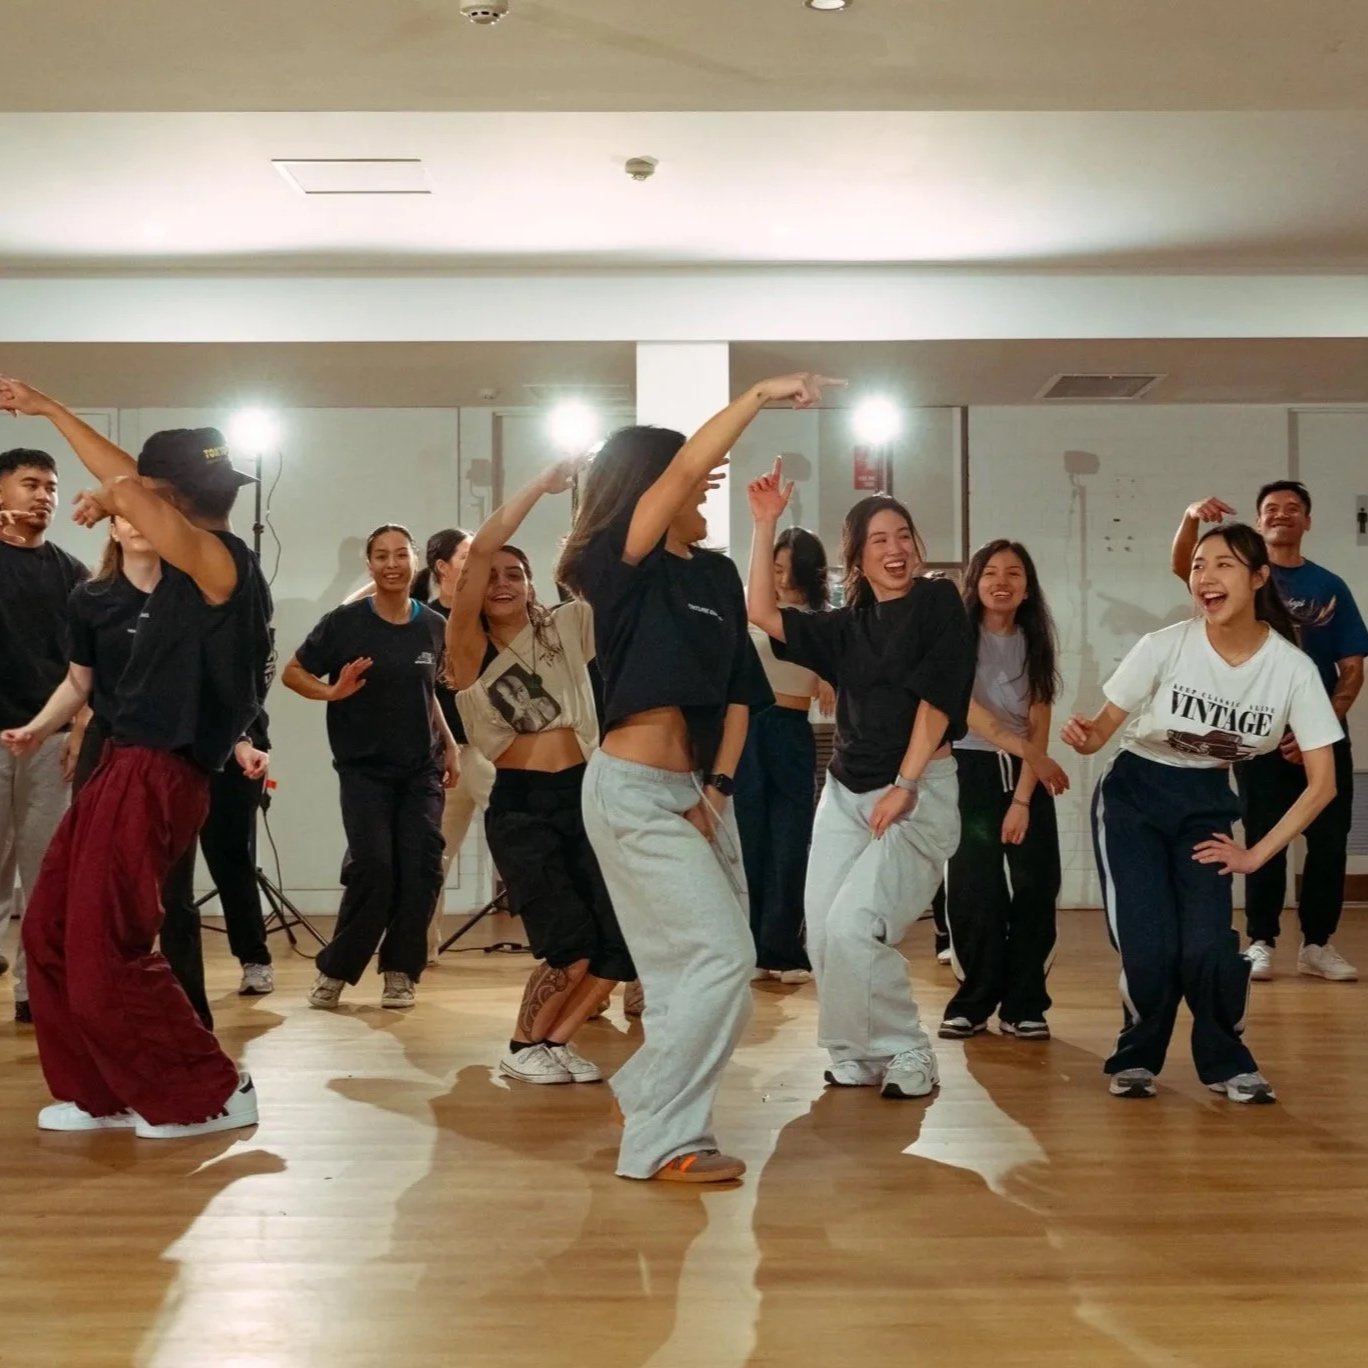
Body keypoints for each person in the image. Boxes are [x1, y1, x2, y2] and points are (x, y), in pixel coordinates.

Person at [558, 376, 819, 1184]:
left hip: (695, 798)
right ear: (650, 488)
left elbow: (743, 689)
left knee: (685, 980)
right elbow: (678, 473)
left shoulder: (709, 576)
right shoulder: (618, 566)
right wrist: (760, 395)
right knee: (720, 958)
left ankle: (674, 1136)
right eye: (690, 477)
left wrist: (720, 790)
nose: (704, 484)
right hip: (629, 792)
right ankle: (648, 1102)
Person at [0, 376, 271, 1139]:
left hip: (161, 770)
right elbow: (129, 481)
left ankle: (211, 1091)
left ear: (164, 495)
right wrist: (53, 411)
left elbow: (127, 486)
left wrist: (106, 471)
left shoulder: (220, 565)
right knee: (50, 930)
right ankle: (102, 1091)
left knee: (106, 948)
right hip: (121, 762)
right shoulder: (188, 552)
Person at [1065, 524, 1342, 1104]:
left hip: (1205, 804)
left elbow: (1323, 784)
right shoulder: (1164, 644)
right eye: (1197, 566)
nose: (1205, 578)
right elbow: (1100, 734)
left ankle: (1226, 1063)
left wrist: (1256, 855)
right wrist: (1083, 737)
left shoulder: (1292, 670)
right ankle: (1137, 1056)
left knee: (1207, 946)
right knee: (1149, 943)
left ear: (1259, 577)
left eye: (1222, 565)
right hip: (1135, 795)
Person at [747, 462, 975, 1102]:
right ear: (857, 555)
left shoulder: (937, 604)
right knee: (820, 929)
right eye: (880, 540)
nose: (896, 549)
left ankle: (908, 1047)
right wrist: (764, 524)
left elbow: (939, 697)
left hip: (919, 790)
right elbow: (762, 610)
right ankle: (854, 1051)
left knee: (855, 925)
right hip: (847, 795)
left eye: (903, 535)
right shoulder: (846, 627)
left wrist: (905, 782)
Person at [447, 465, 633, 1085]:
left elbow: (614, 577)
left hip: (587, 796)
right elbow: (475, 559)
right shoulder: (467, 649)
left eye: (514, 573)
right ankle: (521, 1044)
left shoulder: (568, 626)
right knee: (568, 943)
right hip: (524, 809)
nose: (501, 582)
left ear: (532, 584)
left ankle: (550, 1044)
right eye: (491, 574)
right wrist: (540, 486)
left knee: (618, 942)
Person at [3, 514, 224, 1030]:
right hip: (110, 754)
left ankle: (187, 1016)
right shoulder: (91, 599)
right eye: (125, 515)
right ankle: (107, 1011)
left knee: (170, 894)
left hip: (174, 759)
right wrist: (37, 729)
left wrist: (237, 740)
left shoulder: (191, 598)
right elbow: (79, 684)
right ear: (113, 530)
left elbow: (215, 681)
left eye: (147, 513)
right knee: (103, 892)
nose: (139, 524)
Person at [1172, 485, 1366, 981]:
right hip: (1258, 733)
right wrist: (1191, 517)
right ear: (1259, 522)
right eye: (1271, 510)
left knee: (1328, 840)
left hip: (1320, 737)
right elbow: (1182, 567)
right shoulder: (1243, 579)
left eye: (1293, 509)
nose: (1282, 516)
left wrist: (1320, 725)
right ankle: (1261, 940)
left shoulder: (1331, 586)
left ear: (1307, 521)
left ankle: (1318, 945)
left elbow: (1351, 670)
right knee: (1262, 835)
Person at [283, 524, 458, 1010]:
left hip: (421, 769)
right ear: (370, 564)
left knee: (422, 867)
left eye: (400, 555)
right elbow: (292, 673)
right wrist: (331, 692)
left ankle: (401, 970)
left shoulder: (433, 626)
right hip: (364, 769)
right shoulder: (344, 623)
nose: (392, 564)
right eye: (381, 556)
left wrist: (450, 746)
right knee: (375, 868)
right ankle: (336, 970)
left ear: (414, 561)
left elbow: (427, 695)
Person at [938, 540, 1070, 1042]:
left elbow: (1040, 721)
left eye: (1014, 573)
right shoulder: (957, 635)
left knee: (1037, 886)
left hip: (1025, 775)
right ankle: (973, 1001)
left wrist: (1022, 795)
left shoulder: (1036, 641)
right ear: (975, 583)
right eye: (990, 572)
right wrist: (1032, 755)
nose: (1001, 582)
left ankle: (1025, 1003)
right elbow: (973, 714)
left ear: (1027, 587)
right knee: (977, 889)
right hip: (967, 769)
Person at [0, 446, 87, 1023]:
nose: (44, 496)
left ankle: (35, 992)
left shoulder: (73, 574)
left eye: (52, 487)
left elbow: (92, 666)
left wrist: (80, 725)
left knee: (46, 872)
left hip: (51, 741)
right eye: (31, 484)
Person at [736, 525, 834, 985]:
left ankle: (785, 948)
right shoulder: (752, 610)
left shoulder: (821, 619)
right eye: (772, 567)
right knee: (749, 836)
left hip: (793, 728)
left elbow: (838, 671)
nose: (776, 576)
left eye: (784, 568)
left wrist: (832, 677)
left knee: (791, 839)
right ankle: (751, 948)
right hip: (748, 727)